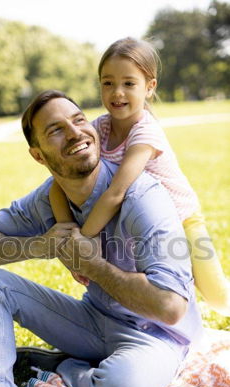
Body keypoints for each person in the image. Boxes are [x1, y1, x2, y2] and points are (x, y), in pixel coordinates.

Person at [0, 89, 204, 387]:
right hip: (95, 321)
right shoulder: (45, 200)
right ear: (38, 155)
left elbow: (170, 308)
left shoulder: (141, 197)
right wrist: (40, 245)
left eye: (78, 120)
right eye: (56, 130)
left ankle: (63, 367)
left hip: (156, 335)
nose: (75, 133)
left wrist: (94, 266)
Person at [49, 37, 230, 316]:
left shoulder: (146, 133)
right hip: (140, 228)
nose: (117, 92)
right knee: (152, 294)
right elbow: (58, 184)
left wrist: (84, 240)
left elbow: (116, 192)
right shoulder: (99, 128)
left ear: (150, 87)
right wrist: (70, 235)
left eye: (129, 84)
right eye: (108, 83)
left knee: (218, 297)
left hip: (182, 221)